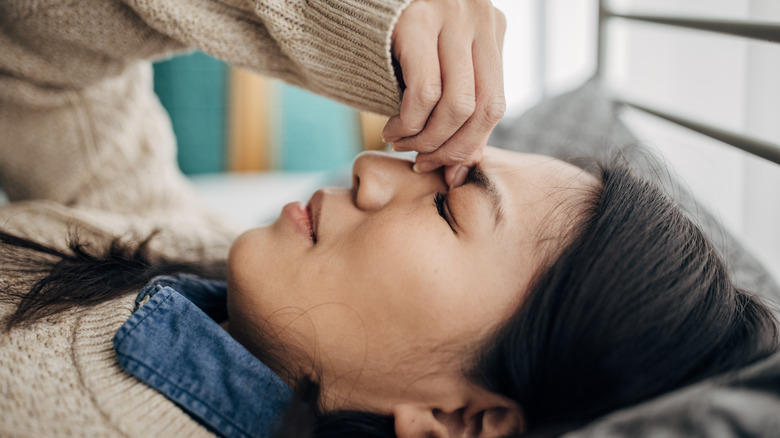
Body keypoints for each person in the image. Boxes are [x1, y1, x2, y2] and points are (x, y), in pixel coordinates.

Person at [1, 2, 778, 438]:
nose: (372, 169)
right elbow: (35, 65)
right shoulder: (184, 258)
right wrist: (373, 26)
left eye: (446, 205)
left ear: (460, 417)